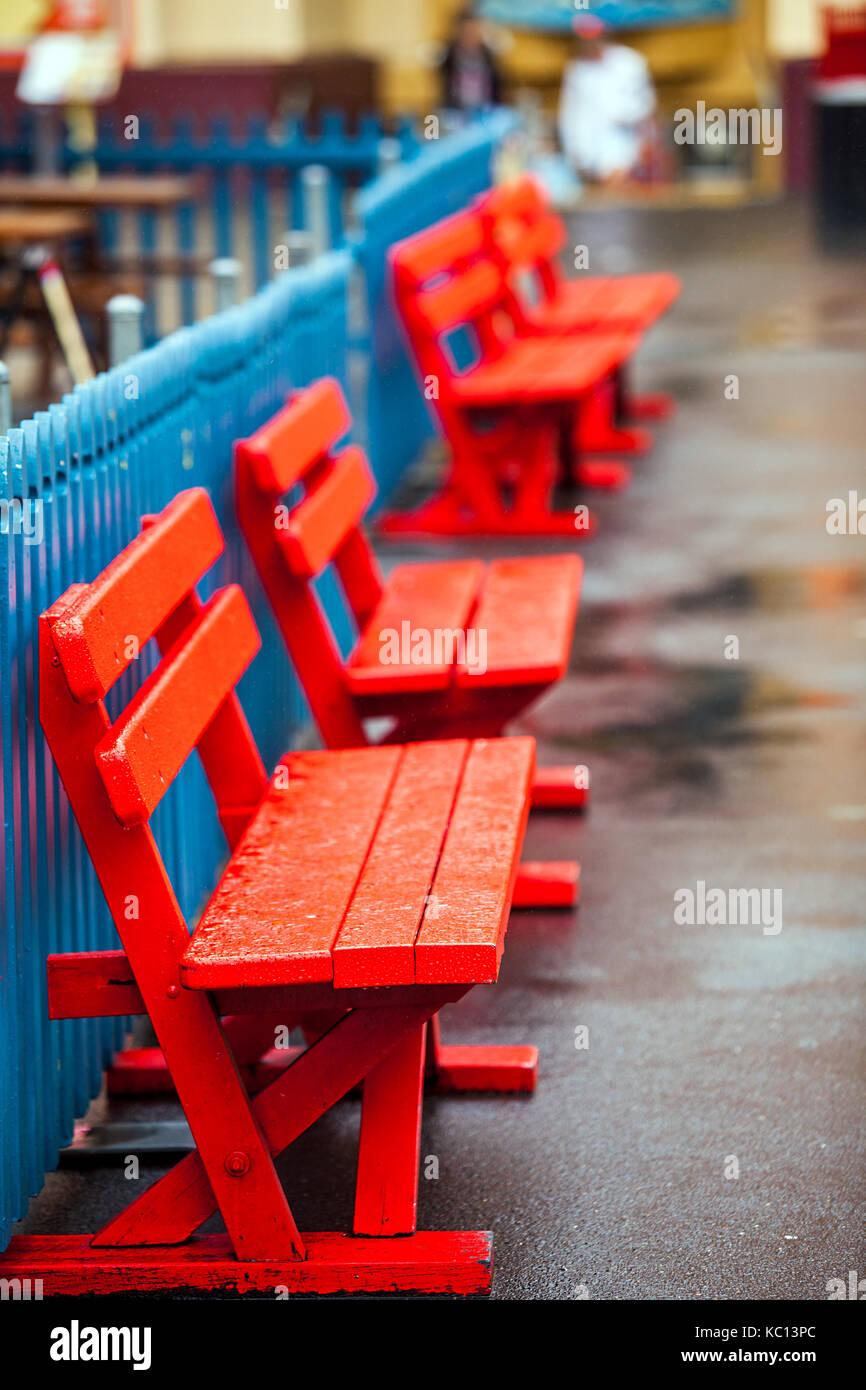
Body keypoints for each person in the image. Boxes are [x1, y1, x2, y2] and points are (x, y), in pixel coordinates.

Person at [557, 15, 656, 185]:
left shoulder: (629, 63)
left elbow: (646, 107)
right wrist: (577, 158)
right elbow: (570, 118)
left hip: (627, 157)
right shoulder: (576, 71)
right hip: (591, 161)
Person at [440, 6, 503, 115]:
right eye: (466, 31)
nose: (471, 35)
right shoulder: (448, 56)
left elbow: (498, 90)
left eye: (474, 30)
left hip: (486, 112)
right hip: (456, 112)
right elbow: (442, 90)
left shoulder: (490, 57)